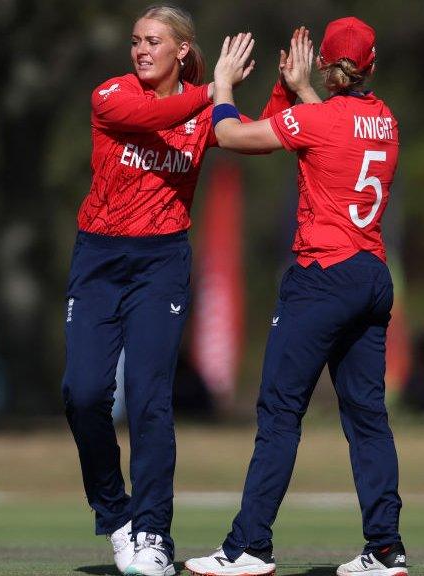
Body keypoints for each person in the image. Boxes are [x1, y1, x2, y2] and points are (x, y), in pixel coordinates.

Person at [61, 5, 298, 575]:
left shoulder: (201, 109)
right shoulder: (111, 96)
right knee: (83, 394)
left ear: (182, 51)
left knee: (148, 396)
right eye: (136, 40)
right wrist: (216, 87)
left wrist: (287, 92)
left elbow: (253, 138)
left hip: (160, 262)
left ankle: (152, 533)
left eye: (154, 41)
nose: (141, 50)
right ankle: (114, 512)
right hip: (98, 256)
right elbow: (160, 115)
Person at [184, 18, 408, 576]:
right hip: (372, 276)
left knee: (281, 412)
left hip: (322, 277)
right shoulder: (385, 121)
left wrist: (225, 85)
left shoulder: (318, 118)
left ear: (327, 67)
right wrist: (305, 87)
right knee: (367, 418)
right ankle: (385, 549)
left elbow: (232, 137)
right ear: (371, 68)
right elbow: (335, 126)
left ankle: (248, 547)